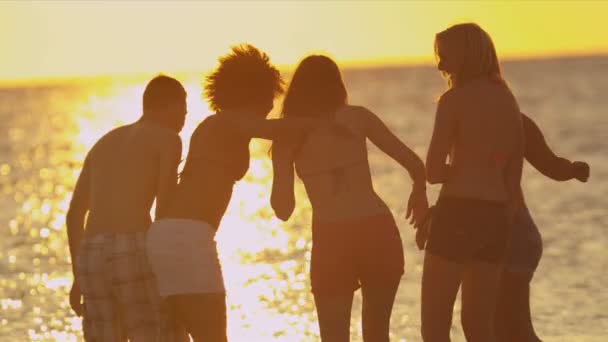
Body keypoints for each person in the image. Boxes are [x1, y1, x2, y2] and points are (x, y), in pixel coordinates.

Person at [145, 44, 325, 342]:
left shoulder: (220, 125)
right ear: (251, 93)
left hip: (170, 236)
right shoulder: (227, 121)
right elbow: (284, 130)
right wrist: (328, 120)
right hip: (188, 238)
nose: (271, 105)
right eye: (269, 96)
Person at [270, 55, 428, 342]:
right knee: (378, 336)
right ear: (337, 86)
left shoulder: (287, 135)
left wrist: (282, 157)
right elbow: (416, 165)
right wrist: (420, 197)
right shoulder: (358, 117)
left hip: (333, 238)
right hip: (377, 230)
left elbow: (283, 210)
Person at [422, 23, 525, 342]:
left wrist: (461, 171)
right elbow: (513, 172)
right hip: (496, 216)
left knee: (435, 328)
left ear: (466, 55)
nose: (439, 65)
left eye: (445, 56)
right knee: (479, 328)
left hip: (458, 213)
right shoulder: (507, 99)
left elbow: (433, 172)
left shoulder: (453, 100)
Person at [66, 75, 187, 341]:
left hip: (91, 253)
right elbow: (163, 211)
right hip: (133, 247)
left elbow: (74, 215)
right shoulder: (168, 139)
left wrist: (78, 277)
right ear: (172, 105)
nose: (184, 119)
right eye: (184, 110)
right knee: (162, 334)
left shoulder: (103, 142)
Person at [494, 114, 590, 342]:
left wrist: (570, 170)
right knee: (501, 331)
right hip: (514, 232)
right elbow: (552, 166)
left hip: (510, 235)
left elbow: (451, 177)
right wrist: (572, 170)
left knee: (513, 331)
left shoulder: (499, 116)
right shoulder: (513, 117)